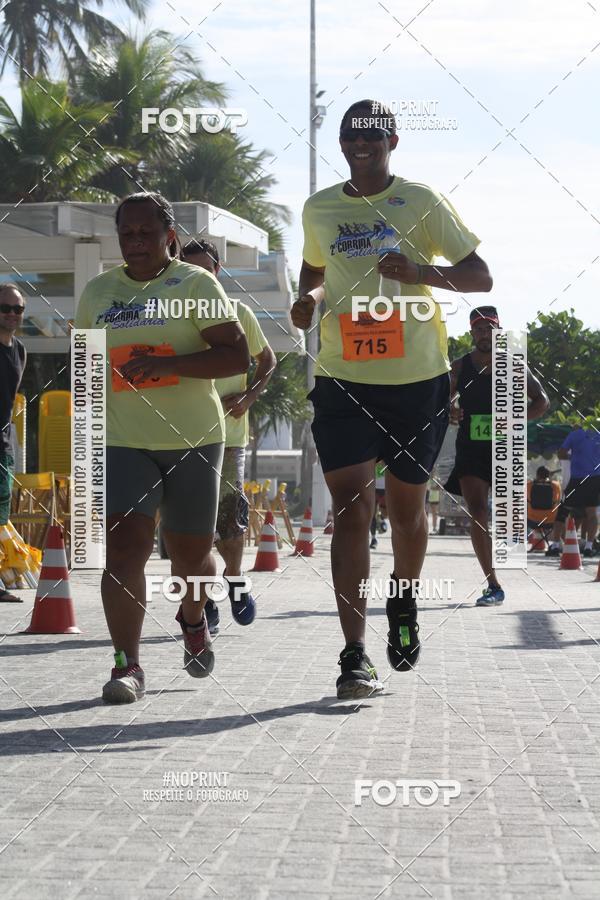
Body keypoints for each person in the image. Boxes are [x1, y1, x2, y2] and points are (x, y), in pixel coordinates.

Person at [291, 99, 493, 699]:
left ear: (393, 141)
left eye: (372, 136)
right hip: (343, 378)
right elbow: (314, 272)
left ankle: (402, 602)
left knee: (405, 515)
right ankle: (353, 654)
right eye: (351, 136)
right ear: (342, 142)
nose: (361, 144)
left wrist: (419, 275)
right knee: (351, 511)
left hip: (416, 381)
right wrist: (310, 302)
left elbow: (479, 276)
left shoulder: (422, 201)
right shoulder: (319, 207)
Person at [74, 192, 249, 703]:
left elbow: (234, 356)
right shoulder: (99, 292)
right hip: (123, 437)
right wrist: (84, 444)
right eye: (126, 234)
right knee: (125, 549)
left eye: (146, 233)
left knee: (189, 556)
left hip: (193, 436)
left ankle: (193, 620)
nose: (135, 242)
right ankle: (127, 665)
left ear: (169, 236)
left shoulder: (196, 284)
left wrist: (168, 366)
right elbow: (86, 370)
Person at [180, 238, 276, 634]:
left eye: (207, 269)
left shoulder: (238, 313)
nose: (201, 276)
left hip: (228, 437)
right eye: (192, 270)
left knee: (231, 525)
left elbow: (267, 361)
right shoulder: (173, 317)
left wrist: (249, 396)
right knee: (192, 532)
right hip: (179, 439)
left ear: (218, 272)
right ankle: (203, 605)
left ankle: (235, 581)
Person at [445, 307, 549, 605]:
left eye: (489, 328)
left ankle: (506, 564)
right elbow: (440, 400)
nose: (484, 334)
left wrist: (516, 419)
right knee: (477, 512)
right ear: (471, 333)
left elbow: (541, 401)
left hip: (504, 448)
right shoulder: (459, 366)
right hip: (471, 447)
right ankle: (493, 583)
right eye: (478, 329)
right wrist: (450, 410)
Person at [0, 284, 27, 603]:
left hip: (4, 445)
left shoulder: (19, 349)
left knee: (1, 512)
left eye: (17, 309)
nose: (10, 314)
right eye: (4, 308)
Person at [549, 424, 600, 558]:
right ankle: (588, 547)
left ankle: (554, 546)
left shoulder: (575, 434)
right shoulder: (598, 433)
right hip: (595, 479)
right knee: (592, 513)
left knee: (563, 511)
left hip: (577, 478)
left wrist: (574, 456)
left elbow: (561, 453)